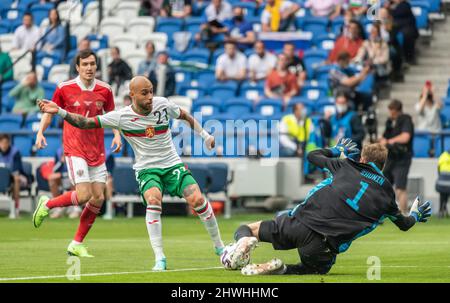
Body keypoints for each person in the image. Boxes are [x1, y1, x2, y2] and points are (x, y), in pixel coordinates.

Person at [37, 75, 225, 271]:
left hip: (172, 165)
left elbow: (184, 115)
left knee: (198, 200)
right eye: (145, 93)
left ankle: (220, 247)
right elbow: (85, 122)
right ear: (132, 95)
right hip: (147, 169)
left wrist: (205, 135)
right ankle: (160, 258)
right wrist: (59, 111)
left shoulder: (162, 104)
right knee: (153, 200)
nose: (150, 97)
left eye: (151, 91)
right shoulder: (121, 117)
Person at [221, 139, 432, 275]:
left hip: (298, 223)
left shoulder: (347, 165)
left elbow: (312, 156)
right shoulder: (387, 193)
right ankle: (281, 269)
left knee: (249, 228)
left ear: (362, 158)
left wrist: (336, 149)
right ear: (382, 166)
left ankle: (244, 240)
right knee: (314, 269)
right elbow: (404, 224)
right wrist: (414, 214)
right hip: (322, 246)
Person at [33, 49, 123, 258]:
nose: (89, 68)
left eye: (92, 64)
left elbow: (111, 115)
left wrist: (117, 135)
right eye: (85, 64)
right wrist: (40, 132)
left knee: (98, 198)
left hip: (97, 149)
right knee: (83, 195)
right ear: (78, 67)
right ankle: (48, 204)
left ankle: (76, 243)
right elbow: (50, 109)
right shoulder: (64, 88)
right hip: (75, 148)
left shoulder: (105, 89)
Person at [380, 99, 414, 214]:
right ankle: (382, 213)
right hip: (390, 158)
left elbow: (405, 137)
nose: (390, 113)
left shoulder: (406, 119)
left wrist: (389, 141)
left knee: (400, 187)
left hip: (402, 158)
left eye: (391, 110)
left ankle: (404, 215)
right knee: (383, 185)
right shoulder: (390, 122)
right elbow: (383, 137)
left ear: (396, 110)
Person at [0, 134, 30, 218]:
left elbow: (16, 171)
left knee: (16, 179)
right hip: (2, 178)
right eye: (1, 143)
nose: (4, 145)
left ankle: (16, 209)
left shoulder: (15, 152)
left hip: (19, 177)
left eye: (5, 143)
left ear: (9, 143)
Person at [386, 0, 419, 65]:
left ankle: (409, 57)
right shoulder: (390, 5)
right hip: (395, 27)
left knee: (407, 34)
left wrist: (389, 9)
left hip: (407, 26)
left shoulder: (405, 5)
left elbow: (398, 13)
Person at [436, 150, 450, 218]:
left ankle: (441, 210)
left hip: (441, 183)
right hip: (447, 184)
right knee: (445, 196)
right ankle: (444, 209)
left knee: (442, 197)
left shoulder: (443, 155)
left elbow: (438, 169)